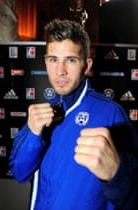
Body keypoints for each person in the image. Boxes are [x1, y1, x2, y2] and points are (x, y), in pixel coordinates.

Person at [9, 19, 138, 210]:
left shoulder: (110, 114)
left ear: (87, 66)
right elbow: (19, 172)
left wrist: (116, 176)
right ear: (46, 62)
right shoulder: (42, 113)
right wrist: (33, 135)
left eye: (71, 60)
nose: (60, 71)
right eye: (53, 60)